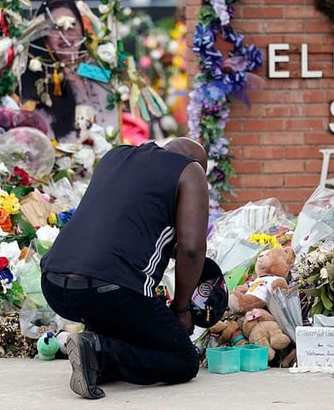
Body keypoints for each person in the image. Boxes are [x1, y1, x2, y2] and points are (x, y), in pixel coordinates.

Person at [40, 137, 209, 399]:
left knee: (125, 320)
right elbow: (192, 248)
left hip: (54, 282)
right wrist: (182, 308)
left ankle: (93, 352)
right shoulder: (190, 169)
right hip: (110, 289)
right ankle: (98, 351)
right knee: (183, 360)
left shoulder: (115, 156)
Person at [20, 0, 118, 143]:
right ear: (43, 36)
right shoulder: (37, 78)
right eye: (56, 28)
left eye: (72, 25)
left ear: (82, 27)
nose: (65, 36)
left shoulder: (94, 69)